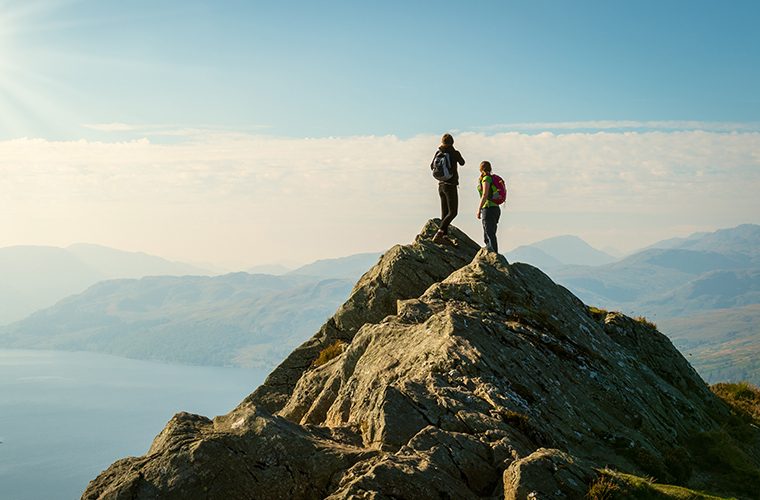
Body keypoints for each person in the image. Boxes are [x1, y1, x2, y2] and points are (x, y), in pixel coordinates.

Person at [431, 133, 465, 244]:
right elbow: (462, 162)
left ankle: (444, 236)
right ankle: (440, 232)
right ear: (452, 142)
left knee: (445, 212)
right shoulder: (454, 153)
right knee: (453, 212)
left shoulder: (438, 152)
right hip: (450, 185)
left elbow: (432, 166)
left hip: (440, 185)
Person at [476, 161, 501, 253]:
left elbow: (485, 194)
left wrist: (479, 209)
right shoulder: (491, 178)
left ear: (481, 169)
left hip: (488, 208)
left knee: (489, 234)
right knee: (491, 233)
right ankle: (493, 253)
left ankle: (493, 255)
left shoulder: (486, 178)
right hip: (495, 208)